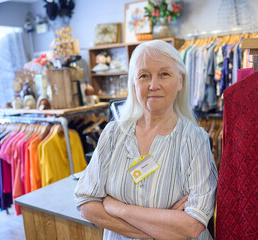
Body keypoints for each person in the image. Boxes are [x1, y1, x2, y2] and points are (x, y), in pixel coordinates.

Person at [74, 40, 218, 240]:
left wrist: (118, 208)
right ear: (134, 83)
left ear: (180, 81)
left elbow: (193, 225)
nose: (154, 85)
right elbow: (87, 204)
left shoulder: (195, 140)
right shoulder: (113, 134)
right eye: (144, 76)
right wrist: (160, 230)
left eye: (164, 74)